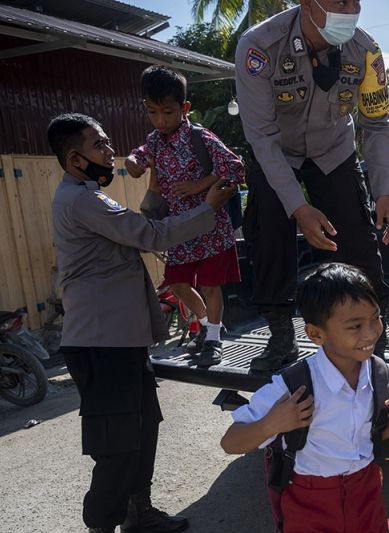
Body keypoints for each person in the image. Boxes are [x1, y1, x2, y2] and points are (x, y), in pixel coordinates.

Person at [48, 113, 234, 533]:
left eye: (108, 142)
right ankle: (102, 524)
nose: (110, 152)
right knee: (117, 446)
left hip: (122, 341)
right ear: (76, 159)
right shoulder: (81, 200)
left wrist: (158, 185)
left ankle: (139, 513)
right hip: (102, 343)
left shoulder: (88, 197)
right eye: (99, 146)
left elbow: (145, 220)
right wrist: (207, 209)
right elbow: (149, 235)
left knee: (143, 428)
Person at [234, 0, 389, 374]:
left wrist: (384, 191)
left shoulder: (365, 50)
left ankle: (377, 333)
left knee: (358, 240)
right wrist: (298, 207)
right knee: (269, 236)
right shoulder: (259, 46)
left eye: (356, 0)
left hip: (333, 151)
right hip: (277, 152)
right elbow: (261, 137)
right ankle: (280, 336)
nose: (351, 8)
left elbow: (376, 124)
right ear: (308, 3)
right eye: (339, 0)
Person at [220, 263, 389, 533]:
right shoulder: (294, 386)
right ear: (315, 334)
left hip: (366, 493)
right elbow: (230, 442)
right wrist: (272, 424)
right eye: (355, 326)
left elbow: (366, 439)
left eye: (375, 318)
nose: (370, 333)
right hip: (311, 502)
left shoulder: (381, 373)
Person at [126, 65, 246, 367]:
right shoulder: (154, 140)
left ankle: (214, 339)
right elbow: (138, 155)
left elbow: (235, 167)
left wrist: (199, 184)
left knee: (210, 284)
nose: (161, 120)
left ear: (185, 107)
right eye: (153, 113)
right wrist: (132, 163)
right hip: (178, 230)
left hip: (211, 227)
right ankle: (206, 326)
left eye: (167, 112)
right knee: (178, 284)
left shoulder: (200, 137)